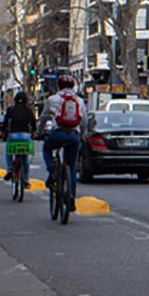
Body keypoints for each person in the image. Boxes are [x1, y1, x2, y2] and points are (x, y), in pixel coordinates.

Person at [38, 75, 86, 206]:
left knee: (47, 149)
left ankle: (53, 170)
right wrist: (82, 135)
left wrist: (39, 132)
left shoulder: (52, 99)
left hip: (58, 133)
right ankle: (71, 198)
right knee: (71, 167)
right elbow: (84, 121)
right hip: (74, 135)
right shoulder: (79, 101)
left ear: (58, 86)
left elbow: (44, 117)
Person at [2, 92, 37, 186]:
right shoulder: (29, 110)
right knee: (26, 157)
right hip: (25, 136)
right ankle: (26, 179)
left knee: (9, 151)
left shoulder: (11, 110)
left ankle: (9, 169)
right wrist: (34, 132)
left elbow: (5, 122)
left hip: (13, 135)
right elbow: (33, 123)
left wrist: (4, 132)